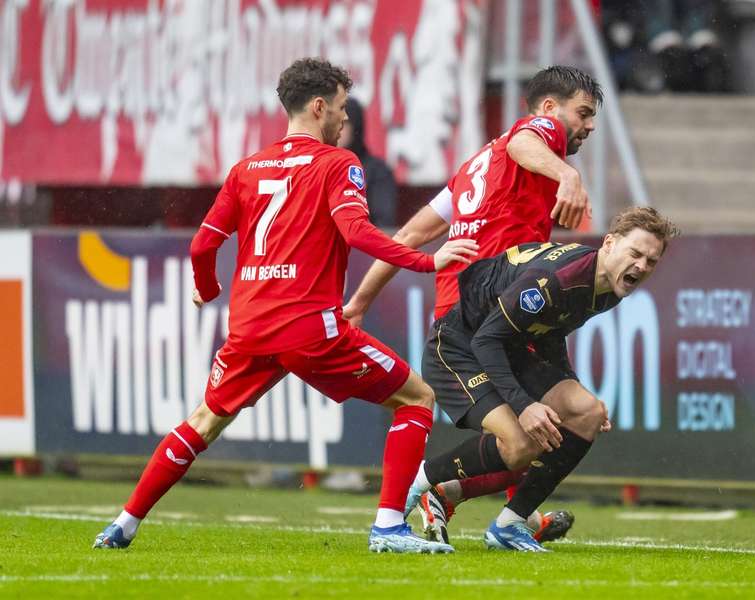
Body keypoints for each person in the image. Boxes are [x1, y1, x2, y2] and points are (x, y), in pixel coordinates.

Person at [92, 58, 477, 554]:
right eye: (340, 108)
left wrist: (207, 290)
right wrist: (429, 261)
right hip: (309, 328)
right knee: (416, 398)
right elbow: (357, 232)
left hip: (250, 328)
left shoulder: (247, 169)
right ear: (319, 107)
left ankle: (123, 524)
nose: (344, 120)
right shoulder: (339, 164)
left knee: (203, 423)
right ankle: (387, 528)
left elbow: (202, 246)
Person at [343, 65, 602, 544]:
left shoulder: (473, 171)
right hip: (467, 326)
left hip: (507, 320)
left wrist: (358, 302)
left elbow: (408, 236)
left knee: (572, 418)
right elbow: (527, 140)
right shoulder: (539, 136)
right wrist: (567, 174)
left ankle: (498, 513)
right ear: (549, 109)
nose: (588, 126)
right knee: (522, 439)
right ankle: (422, 491)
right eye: (583, 113)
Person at [406, 207, 678, 551]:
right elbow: (486, 339)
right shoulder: (555, 280)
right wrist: (524, 406)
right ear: (609, 243)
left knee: (587, 412)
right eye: (635, 253)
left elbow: (550, 333)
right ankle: (420, 480)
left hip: (507, 347)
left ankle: (509, 524)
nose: (641, 266)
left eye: (651, 261)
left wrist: (571, 385)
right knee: (521, 444)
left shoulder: (609, 284)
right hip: (459, 346)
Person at [338, 97, 397, 227]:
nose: (337, 129)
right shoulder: (318, 166)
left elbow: (384, 223)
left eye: (343, 123)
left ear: (356, 127)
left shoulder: (378, 171)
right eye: (332, 122)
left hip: (362, 244)